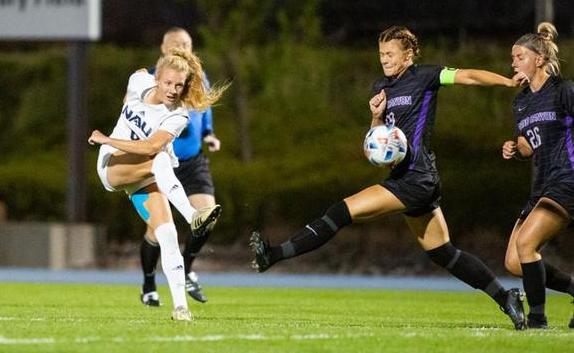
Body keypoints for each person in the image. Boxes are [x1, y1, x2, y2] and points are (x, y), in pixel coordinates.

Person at [250, 25, 527, 329]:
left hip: (416, 178)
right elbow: (378, 148)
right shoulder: (382, 87)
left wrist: (506, 81)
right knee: (444, 253)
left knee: (340, 212)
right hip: (407, 179)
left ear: (408, 55)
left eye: (390, 53)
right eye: (381, 53)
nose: (384, 59)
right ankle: (506, 297)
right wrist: (375, 116)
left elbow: (468, 76)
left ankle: (274, 254)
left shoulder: (426, 76)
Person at [88, 49, 225, 321]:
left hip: (146, 173)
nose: (173, 90)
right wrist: (110, 140)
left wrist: (106, 137)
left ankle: (181, 308)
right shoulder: (139, 82)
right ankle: (193, 217)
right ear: (157, 78)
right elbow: (137, 76)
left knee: (168, 234)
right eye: (168, 82)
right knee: (160, 160)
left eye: (179, 85)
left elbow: (151, 146)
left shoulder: (178, 115)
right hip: (113, 165)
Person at [139, 27, 221, 306]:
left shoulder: (198, 78)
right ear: (164, 48)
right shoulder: (152, 80)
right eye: (176, 44)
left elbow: (204, 108)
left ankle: (185, 269)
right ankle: (149, 284)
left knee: (207, 216)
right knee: (157, 229)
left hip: (192, 161)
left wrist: (208, 133)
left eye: (186, 44)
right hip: (159, 162)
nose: (182, 48)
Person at [501, 22, 574, 329]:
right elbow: (528, 145)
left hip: (567, 178)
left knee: (526, 243)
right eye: (513, 57)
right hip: (542, 184)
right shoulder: (521, 102)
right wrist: (515, 148)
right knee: (514, 262)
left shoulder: (562, 90)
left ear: (539, 59)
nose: (514, 62)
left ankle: (537, 319)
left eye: (520, 57)